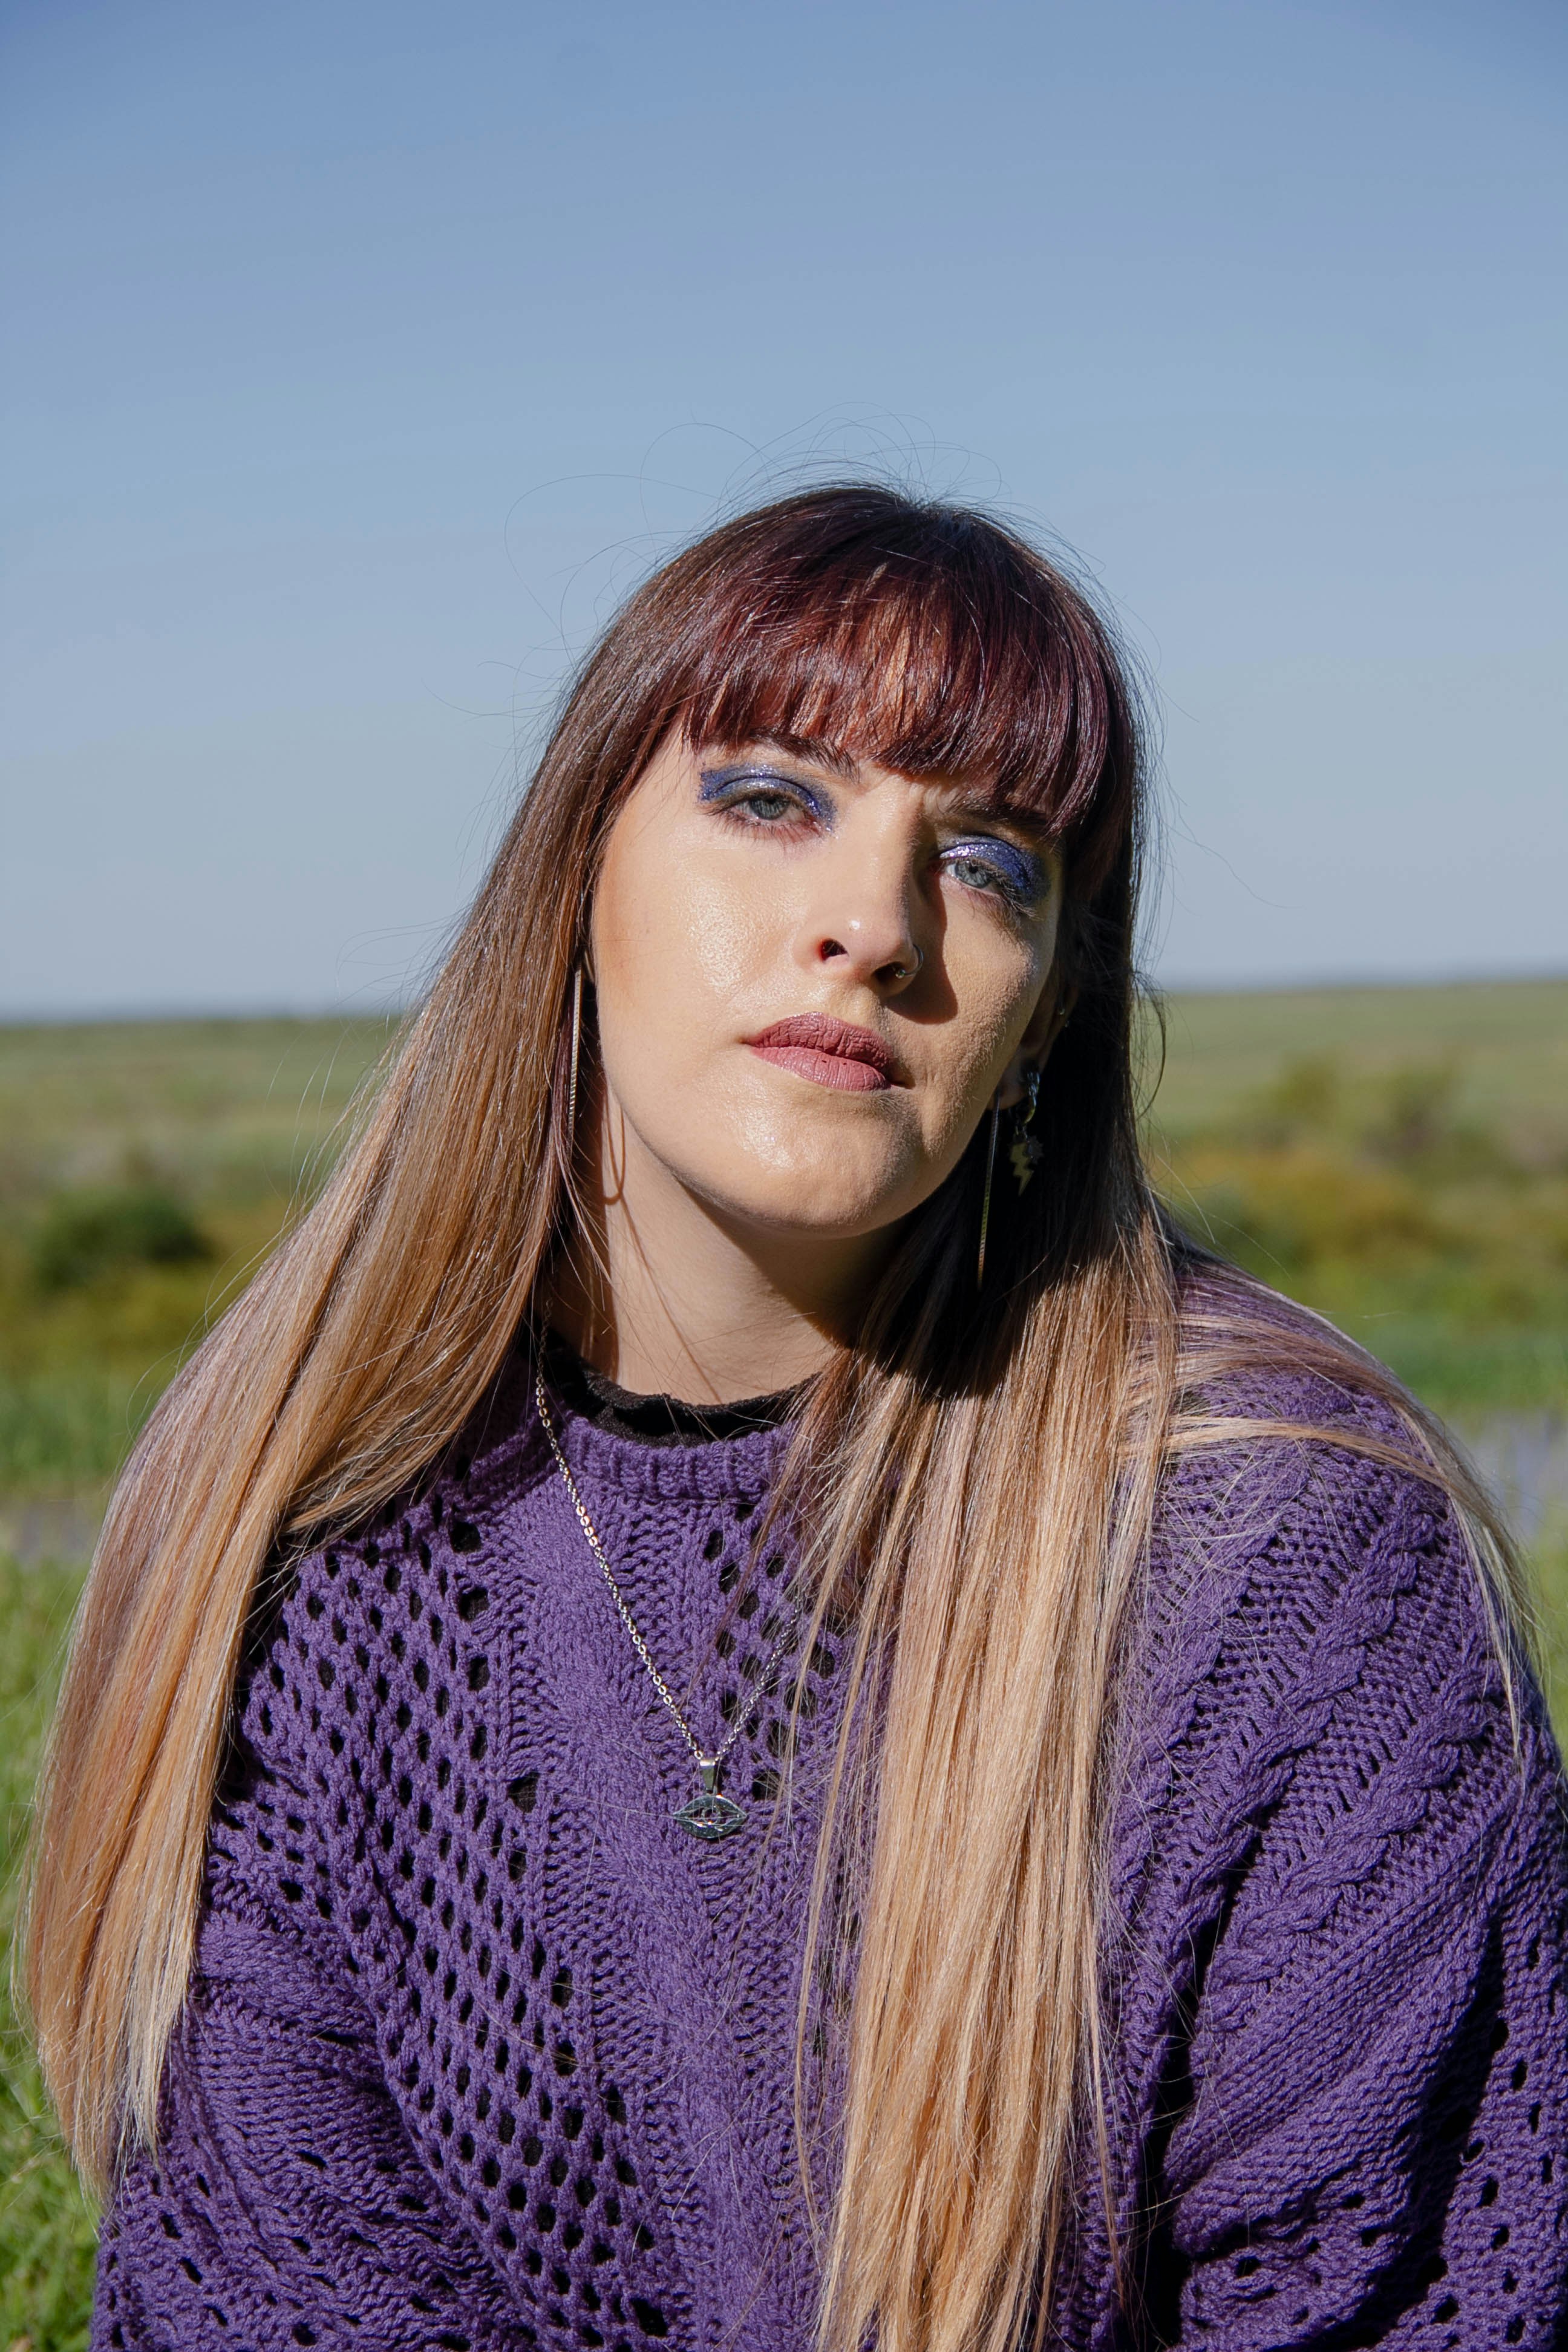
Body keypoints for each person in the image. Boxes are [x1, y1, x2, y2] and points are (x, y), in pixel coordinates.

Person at [27, 486, 1567, 2352]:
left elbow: (1408, 2304)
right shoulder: (298, 1552)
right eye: (773, 798)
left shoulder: (1281, 1562)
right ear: (573, 871)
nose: (873, 924)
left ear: (1040, 1024)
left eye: (989, 863)